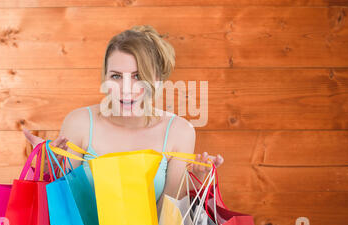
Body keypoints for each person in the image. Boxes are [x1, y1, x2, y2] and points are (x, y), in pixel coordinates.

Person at [22, 25, 224, 212]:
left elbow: (168, 219)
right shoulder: (80, 123)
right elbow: (64, 210)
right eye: (116, 76)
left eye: (138, 76)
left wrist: (196, 181)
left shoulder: (179, 131)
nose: (126, 88)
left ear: (157, 80)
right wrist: (48, 172)